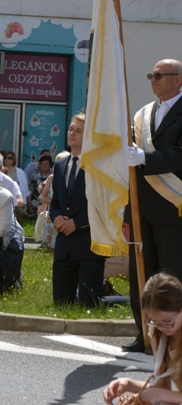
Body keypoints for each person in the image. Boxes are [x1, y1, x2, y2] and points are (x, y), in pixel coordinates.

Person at [123, 58, 182, 353]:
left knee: (170, 275)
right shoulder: (144, 115)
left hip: (174, 208)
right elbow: (131, 167)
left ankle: (171, 336)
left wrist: (147, 159)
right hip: (142, 208)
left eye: (160, 75)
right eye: (151, 75)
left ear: (177, 79)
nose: (154, 80)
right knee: (141, 274)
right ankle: (144, 333)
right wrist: (126, 213)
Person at [49, 113, 105, 307]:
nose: (72, 133)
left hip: (88, 245)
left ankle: (115, 300)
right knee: (61, 304)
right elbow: (55, 202)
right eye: (71, 129)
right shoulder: (60, 165)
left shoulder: (98, 166)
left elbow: (102, 207)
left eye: (79, 131)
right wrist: (56, 218)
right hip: (64, 247)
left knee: (89, 304)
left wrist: (77, 224)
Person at [103, 273, 182, 404]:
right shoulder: (158, 333)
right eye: (154, 321)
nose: (162, 327)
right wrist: (128, 384)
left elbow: (161, 393)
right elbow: (162, 388)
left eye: (167, 320)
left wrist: (157, 395)